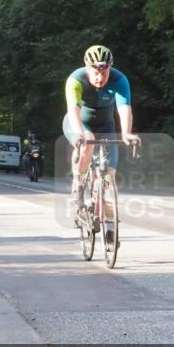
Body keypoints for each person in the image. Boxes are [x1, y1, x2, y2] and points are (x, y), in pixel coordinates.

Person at [64, 45, 140, 240]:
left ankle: (110, 228)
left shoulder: (119, 79)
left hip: (106, 126)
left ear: (110, 68)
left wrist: (126, 133)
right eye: (96, 72)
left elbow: (124, 109)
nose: (100, 77)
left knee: (109, 180)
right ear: (87, 68)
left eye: (104, 72)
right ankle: (78, 185)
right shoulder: (75, 79)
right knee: (88, 141)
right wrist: (79, 134)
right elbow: (73, 110)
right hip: (80, 123)